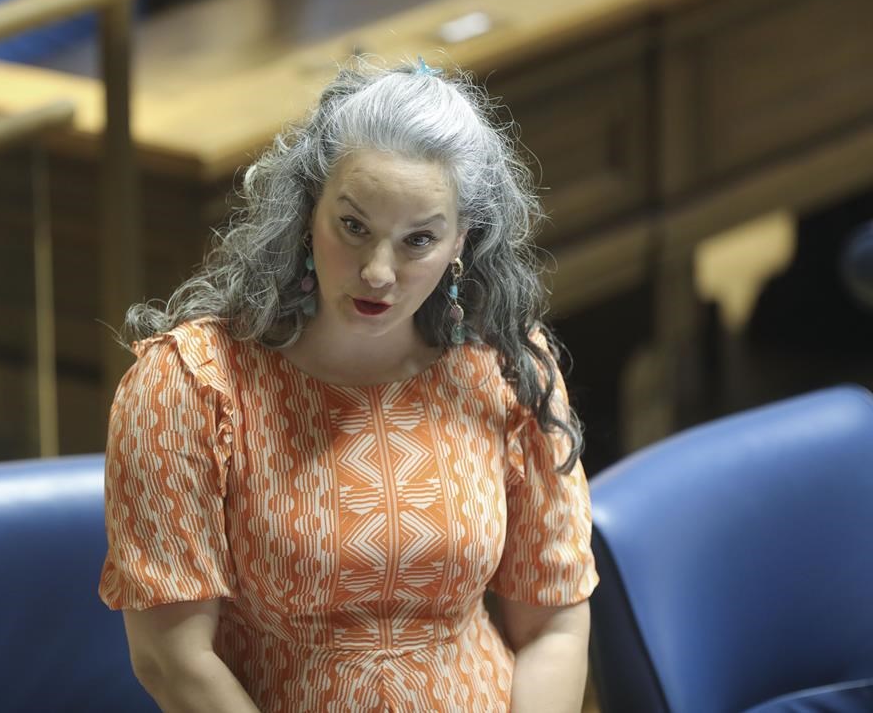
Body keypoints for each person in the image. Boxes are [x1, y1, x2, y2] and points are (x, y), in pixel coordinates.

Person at [98, 55, 599, 712]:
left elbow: (554, 624)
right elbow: (172, 661)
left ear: (460, 242)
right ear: (309, 209)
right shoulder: (191, 384)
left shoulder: (505, 367)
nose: (378, 273)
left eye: (418, 240)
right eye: (354, 227)